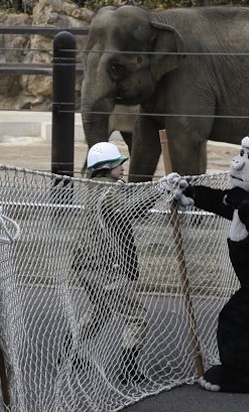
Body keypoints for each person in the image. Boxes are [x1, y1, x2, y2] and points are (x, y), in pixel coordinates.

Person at [69, 142, 160, 385]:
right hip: (102, 265)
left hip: (83, 262)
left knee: (101, 311)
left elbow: (125, 208)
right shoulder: (109, 191)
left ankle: (69, 351)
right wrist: (161, 189)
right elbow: (128, 210)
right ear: (108, 167)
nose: (123, 166)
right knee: (137, 315)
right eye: (120, 163)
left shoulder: (97, 187)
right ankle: (128, 369)